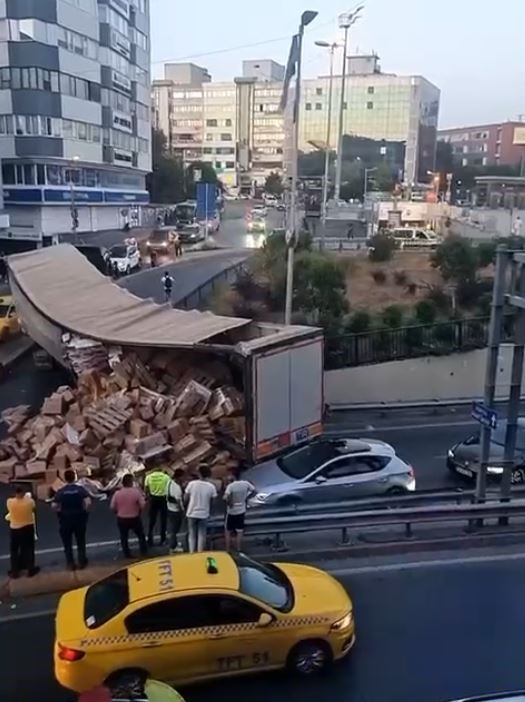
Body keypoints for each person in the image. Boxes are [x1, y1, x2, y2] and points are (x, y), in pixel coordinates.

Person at [52, 469, 91, 570]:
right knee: (80, 541)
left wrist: (60, 512)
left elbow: (54, 505)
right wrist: (84, 511)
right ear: (75, 477)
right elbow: (88, 502)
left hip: (65, 520)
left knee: (67, 543)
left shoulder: (61, 491)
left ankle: (70, 563)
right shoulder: (80, 489)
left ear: (65, 478)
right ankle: (82, 561)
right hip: (79, 518)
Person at [110, 474, 148, 559]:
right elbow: (143, 505)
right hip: (134, 517)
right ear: (131, 482)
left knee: (124, 537)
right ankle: (143, 551)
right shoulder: (136, 492)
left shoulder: (117, 493)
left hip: (122, 518)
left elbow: (112, 507)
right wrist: (139, 511)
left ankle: (127, 553)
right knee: (141, 535)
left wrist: (117, 512)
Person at [6, 486, 39, 578]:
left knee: (14, 550)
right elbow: (33, 506)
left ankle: (15, 571)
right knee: (29, 549)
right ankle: (30, 569)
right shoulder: (29, 502)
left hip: (15, 528)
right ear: (23, 493)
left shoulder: (10, 502)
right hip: (27, 527)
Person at [185, 464, 217, 553]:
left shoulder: (191, 484)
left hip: (191, 512)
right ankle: (200, 552)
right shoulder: (211, 487)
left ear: (199, 474)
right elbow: (213, 501)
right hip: (204, 513)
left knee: (192, 534)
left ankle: (191, 552)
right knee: (202, 534)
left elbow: (185, 498)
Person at [223, 468, 256, 552]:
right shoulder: (245, 484)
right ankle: (238, 548)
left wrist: (229, 503)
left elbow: (225, 497)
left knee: (228, 530)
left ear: (233, 476)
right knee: (239, 531)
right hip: (241, 510)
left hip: (231, 512)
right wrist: (247, 498)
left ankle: (228, 549)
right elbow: (254, 491)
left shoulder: (230, 486)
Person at [144, 462, 170, 546]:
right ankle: (163, 539)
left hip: (153, 499)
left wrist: (147, 497)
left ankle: (150, 538)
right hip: (163, 499)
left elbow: (146, 489)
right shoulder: (166, 477)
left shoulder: (148, 477)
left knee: (152, 520)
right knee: (163, 520)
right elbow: (169, 487)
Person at [167, 468, 185, 553]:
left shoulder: (169, 483)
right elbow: (178, 501)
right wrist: (182, 510)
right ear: (179, 477)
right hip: (176, 511)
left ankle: (174, 544)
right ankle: (172, 547)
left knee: (173, 529)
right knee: (174, 530)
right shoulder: (177, 488)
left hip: (169, 508)